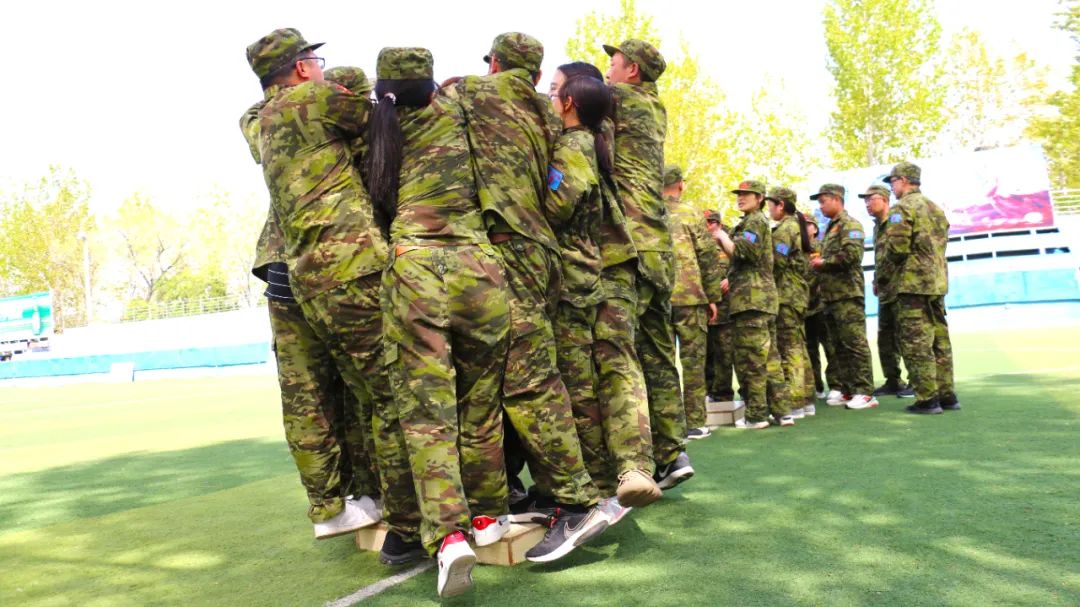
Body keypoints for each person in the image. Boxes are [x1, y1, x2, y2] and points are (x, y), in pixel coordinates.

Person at [444, 33, 608, 561]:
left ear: (494, 64)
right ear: (537, 76)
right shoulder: (545, 110)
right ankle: (515, 495)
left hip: (509, 250)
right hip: (536, 252)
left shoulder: (473, 91)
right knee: (514, 376)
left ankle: (576, 503)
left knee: (528, 380)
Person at [364, 47, 519, 597]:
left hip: (415, 270)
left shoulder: (376, 130)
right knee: (481, 404)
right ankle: (487, 516)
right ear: (429, 84)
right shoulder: (460, 110)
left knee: (427, 414)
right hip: (479, 270)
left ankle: (449, 535)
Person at [242, 29, 392, 542]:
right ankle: (387, 496)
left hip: (284, 267)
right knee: (369, 386)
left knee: (305, 393)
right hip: (339, 263)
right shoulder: (326, 108)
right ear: (303, 67)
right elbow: (381, 123)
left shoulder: (257, 119)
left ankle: (330, 503)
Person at [546, 62, 661, 520]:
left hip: (603, 264)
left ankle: (627, 469)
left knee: (609, 366)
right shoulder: (598, 134)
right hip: (604, 263)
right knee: (602, 368)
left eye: (554, 90)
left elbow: (557, 205)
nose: (549, 98)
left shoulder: (577, 142)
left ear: (572, 100)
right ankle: (620, 474)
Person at [605, 39, 694, 486]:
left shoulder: (619, 99)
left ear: (633, 70)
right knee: (657, 354)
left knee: (618, 352)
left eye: (613, 62)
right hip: (656, 245)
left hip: (630, 244)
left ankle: (634, 462)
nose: (608, 69)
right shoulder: (653, 106)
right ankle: (673, 453)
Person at [714, 180, 791, 429]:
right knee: (770, 358)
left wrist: (721, 235)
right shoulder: (754, 221)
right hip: (761, 300)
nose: (741, 198)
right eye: (739, 194)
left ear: (759, 198)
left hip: (751, 301)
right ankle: (782, 411)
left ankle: (757, 415)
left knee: (753, 360)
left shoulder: (754, 221)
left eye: (747, 194)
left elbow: (744, 252)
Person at [883, 162, 958, 414]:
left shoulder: (902, 207)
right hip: (937, 282)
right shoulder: (935, 207)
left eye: (893, 182)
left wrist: (888, 272)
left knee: (916, 342)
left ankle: (927, 398)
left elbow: (897, 248)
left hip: (913, 284)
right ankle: (947, 395)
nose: (891, 187)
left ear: (904, 180)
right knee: (940, 340)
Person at [665, 166, 724, 439]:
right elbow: (708, 257)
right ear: (681, 185)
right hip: (690, 299)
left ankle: (667, 426)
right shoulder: (691, 213)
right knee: (693, 363)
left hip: (657, 300)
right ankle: (695, 423)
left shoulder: (645, 212)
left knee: (661, 364)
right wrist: (713, 297)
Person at [809, 184, 879, 410]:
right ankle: (849, 389)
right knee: (838, 345)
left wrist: (823, 262)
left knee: (854, 343)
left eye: (823, 201)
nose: (821, 207)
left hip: (847, 294)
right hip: (830, 296)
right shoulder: (831, 228)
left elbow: (852, 255)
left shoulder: (850, 224)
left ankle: (865, 392)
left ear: (837, 199)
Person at [860, 184, 915, 399]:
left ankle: (916, 381)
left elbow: (902, 252)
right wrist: (876, 278)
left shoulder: (896, 220)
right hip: (885, 288)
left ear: (884, 199)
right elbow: (881, 257)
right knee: (885, 338)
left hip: (901, 286)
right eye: (865, 200)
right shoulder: (877, 227)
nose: (867, 204)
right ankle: (893, 381)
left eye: (870, 199)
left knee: (907, 336)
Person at [765, 187, 812, 420]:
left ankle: (795, 400)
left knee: (789, 348)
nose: (768, 209)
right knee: (798, 346)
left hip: (786, 294)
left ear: (781, 205)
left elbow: (777, 262)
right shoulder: (795, 226)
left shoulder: (785, 229)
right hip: (795, 294)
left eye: (770, 204)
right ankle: (806, 398)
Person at [704, 210, 737, 405]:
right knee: (706, 352)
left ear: (719, 223)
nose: (708, 226)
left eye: (712, 222)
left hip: (726, 307)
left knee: (725, 352)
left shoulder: (730, 240)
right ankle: (709, 391)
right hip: (704, 305)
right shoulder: (698, 242)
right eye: (705, 222)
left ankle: (723, 393)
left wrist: (730, 279)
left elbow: (744, 264)